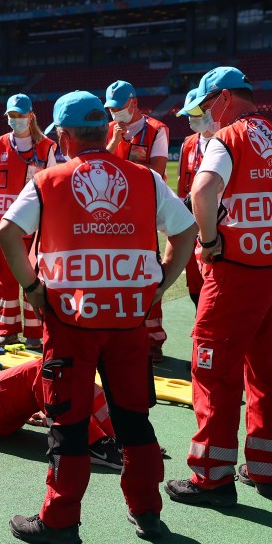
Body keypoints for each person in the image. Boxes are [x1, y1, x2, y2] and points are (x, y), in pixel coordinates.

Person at [0, 90, 198, 544]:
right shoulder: (145, 178)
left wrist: (32, 288)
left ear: (64, 136)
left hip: (70, 321)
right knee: (134, 421)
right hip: (129, 320)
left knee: (68, 424)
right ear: (107, 131)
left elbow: (8, 232)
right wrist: (161, 284)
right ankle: (147, 513)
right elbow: (186, 231)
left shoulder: (49, 179)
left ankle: (60, 520)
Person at [165, 67, 272, 507]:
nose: (206, 115)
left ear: (222, 99)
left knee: (214, 372)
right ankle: (264, 470)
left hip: (235, 274)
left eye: (207, 105)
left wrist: (208, 241)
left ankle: (211, 478)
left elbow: (203, 191)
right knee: (266, 374)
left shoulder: (228, 139)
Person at [0, 93, 58, 349]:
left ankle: (34, 333)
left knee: (31, 276)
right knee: (4, 279)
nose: (14, 120)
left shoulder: (46, 147)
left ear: (30, 115)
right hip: (0, 223)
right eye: (11, 116)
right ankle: (8, 330)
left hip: (31, 224)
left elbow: (53, 184)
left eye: (19, 116)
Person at [104, 80, 171, 361]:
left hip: (143, 212)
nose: (112, 113)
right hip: (111, 213)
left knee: (146, 272)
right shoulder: (109, 131)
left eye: (117, 108)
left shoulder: (157, 130)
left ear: (132, 103)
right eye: (109, 108)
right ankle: (118, 336)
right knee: (114, 274)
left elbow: (156, 172)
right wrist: (114, 142)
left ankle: (153, 340)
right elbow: (98, 164)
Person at [176, 88, 218, 308]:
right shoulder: (189, 143)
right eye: (189, 114)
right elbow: (182, 186)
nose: (192, 119)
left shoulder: (228, 139)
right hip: (192, 227)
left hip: (218, 228)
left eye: (196, 113)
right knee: (196, 288)